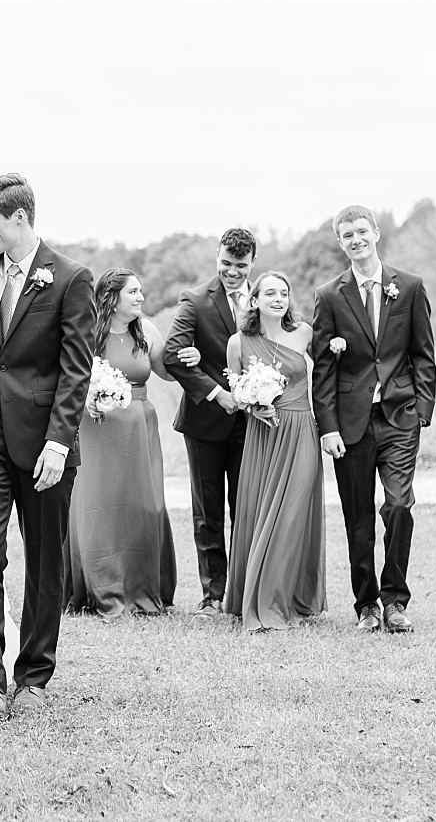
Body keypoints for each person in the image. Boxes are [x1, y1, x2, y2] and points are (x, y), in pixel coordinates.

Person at [0, 173, 96, 719]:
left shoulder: (70, 277)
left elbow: (76, 367)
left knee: (45, 560)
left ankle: (34, 675)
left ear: (19, 218)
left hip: (46, 439)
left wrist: (59, 443)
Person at [310, 206, 435, 634]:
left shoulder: (411, 287)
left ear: (377, 233)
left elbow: (424, 355)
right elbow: (323, 370)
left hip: (400, 415)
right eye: (347, 235)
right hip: (350, 422)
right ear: (340, 242)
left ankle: (395, 600)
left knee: (399, 506)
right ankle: (366, 605)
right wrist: (327, 426)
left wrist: (422, 410)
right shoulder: (329, 296)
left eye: (362, 231)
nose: (356, 240)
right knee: (357, 516)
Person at [66, 269, 177, 619]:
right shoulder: (87, 333)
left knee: (144, 505)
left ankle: (143, 586)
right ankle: (101, 587)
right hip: (98, 429)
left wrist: (191, 359)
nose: (141, 297)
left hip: (140, 428)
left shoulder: (148, 331)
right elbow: (70, 377)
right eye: (133, 292)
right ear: (111, 297)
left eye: (141, 291)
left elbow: (167, 371)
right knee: (101, 506)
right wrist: (86, 400)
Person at [223, 272, 326, 630]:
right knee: (259, 512)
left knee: (294, 512)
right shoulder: (238, 342)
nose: (279, 298)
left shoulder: (306, 333)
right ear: (254, 300)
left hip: (300, 431)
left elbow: (329, 372)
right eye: (270, 293)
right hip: (263, 435)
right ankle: (259, 597)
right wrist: (253, 405)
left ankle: (284, 596)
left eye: (284, 293)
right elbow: (235, 392)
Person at [164, 228, 255, 617]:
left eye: (240, 265)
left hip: (251, 421)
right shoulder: (196, 300)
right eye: (225, 264)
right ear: (216, 256)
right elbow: (171, 355)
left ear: (252, 263)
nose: (231, 272)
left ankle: (244, 589)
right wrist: (217, 392)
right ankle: (213, 594)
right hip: (205, 420)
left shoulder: (265, 298)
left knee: (246, 506)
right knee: (208, 511)